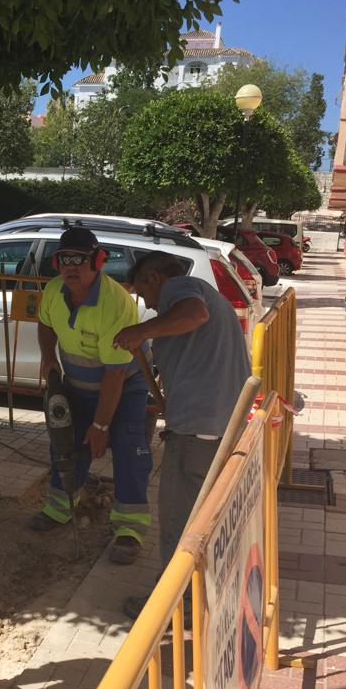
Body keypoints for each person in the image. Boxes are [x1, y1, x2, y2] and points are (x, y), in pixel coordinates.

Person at [113, 251, 251, 621]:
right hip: (218, 426)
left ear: (155, 278)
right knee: (202, 519)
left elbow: (194, 314)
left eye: (144, 292)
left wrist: (140, 331)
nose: (147, 304)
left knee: (179, 523)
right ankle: (199, 594)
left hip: (196, 433)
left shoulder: (183, 289)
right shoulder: (209, 294)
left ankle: (175, 605)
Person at [29, 225, 152, 565]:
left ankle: (129, 528)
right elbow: (45, 323)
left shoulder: (115, 303)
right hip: (77, 384)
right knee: (65, 443)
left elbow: (115, 373)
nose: (72, 267)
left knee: (128, 448)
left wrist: (100, 427)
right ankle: (59, 508)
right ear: (57, 263)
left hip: (124, 386)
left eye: (80, 260)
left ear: (97, 261)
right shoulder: (53, 291)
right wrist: (48, 357)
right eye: (65, 259)